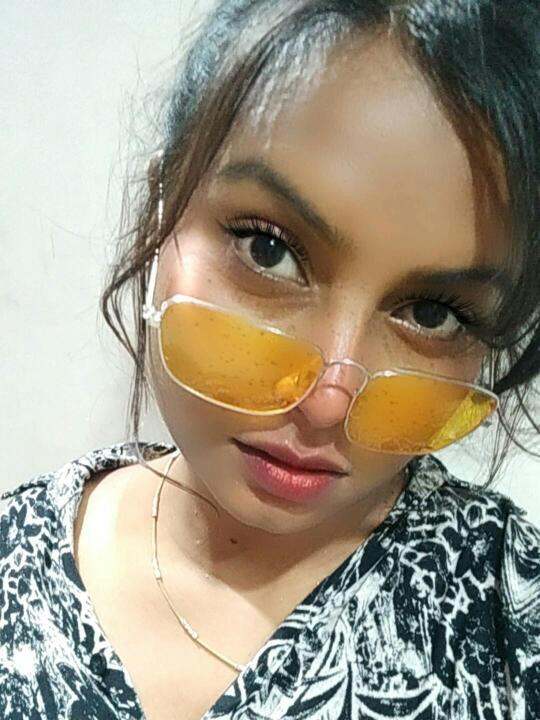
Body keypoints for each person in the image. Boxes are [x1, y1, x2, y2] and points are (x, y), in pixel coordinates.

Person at [1, 1, 540, 718]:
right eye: (269, 250)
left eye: (433, 314)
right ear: (164, 206)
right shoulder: (13, 567)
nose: (328, 401)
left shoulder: (510, 614)